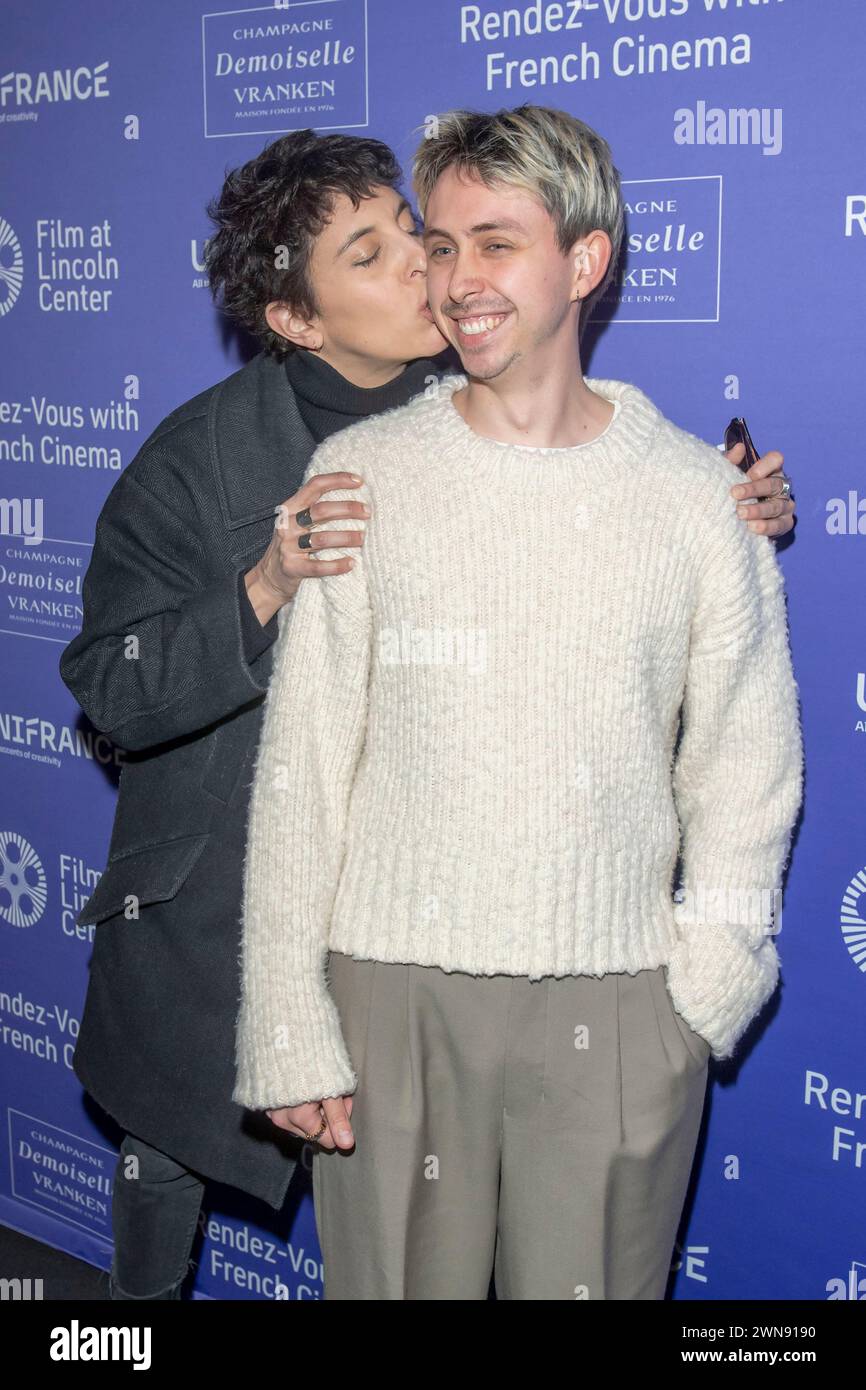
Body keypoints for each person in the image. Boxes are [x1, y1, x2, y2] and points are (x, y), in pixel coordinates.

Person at [60, 123, 792, 1302]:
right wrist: (264, 585)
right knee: (168, 1182)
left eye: (421, 232)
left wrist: (726, 502)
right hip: (230, 913)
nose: (426, 267)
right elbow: (129, 691)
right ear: (297, 316)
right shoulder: (215, 460)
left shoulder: (491, 402)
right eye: (381, 252)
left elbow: (594, 504)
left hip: (543, 955)